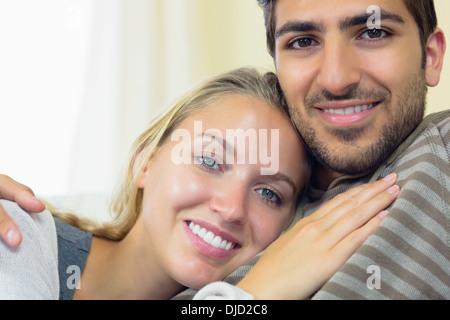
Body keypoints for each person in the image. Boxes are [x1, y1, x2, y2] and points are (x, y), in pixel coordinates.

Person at [0, 67, 399, 300]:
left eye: (268, 193)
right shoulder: (17, 241)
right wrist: (252, 294)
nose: (231, 208)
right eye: (209, 160)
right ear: (146, 160)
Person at [190, 0, 449, 299]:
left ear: (430, 57)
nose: (336, 79)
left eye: (374, 33)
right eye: (303, 41)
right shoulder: (232, 210)